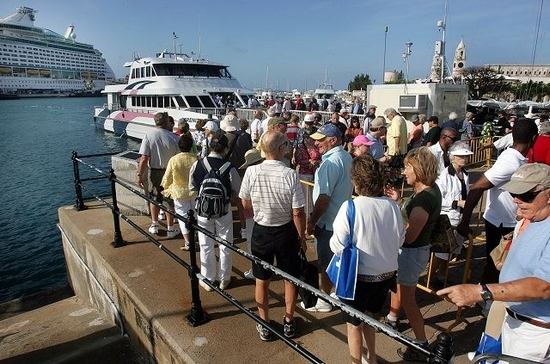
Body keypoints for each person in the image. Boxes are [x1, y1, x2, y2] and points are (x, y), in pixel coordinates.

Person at [438, 163, 550, 363]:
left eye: (526, 195)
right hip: (514, 320)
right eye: (515, 194)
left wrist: (480, 292)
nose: (516, 200)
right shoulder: (534, 217)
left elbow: (544, 286)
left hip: (533, 334)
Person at [330, 155, 405, 364]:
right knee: (372, 319)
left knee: (354, 325)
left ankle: (357, 362)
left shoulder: (350, 207)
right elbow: (400, 240)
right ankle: (371, 358)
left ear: (356, 181)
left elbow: (337, 245)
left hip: (357, 279)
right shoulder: (392, 206)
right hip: (385, 276)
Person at [239, 130, 306, 341]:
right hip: (285, 230)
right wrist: (302, 237)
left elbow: (245, 202)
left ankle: (264, 323)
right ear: (280, 149)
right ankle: (288, 321)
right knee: (289, 278)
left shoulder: (251, 172)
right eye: (286, 144)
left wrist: (256, 213)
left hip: (261, 230)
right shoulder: (290, 174)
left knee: (261, 279)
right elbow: (297, 212)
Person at [456, 119, 539, 284]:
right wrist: (465, 223)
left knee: (499, 264)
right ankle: (485, 298)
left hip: (505, 221)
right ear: (534, 138)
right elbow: (477, 188)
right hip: (502, 223)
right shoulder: (510, 163)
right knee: (497, 264)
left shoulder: (513, 156)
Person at [383, 147, 441, 362]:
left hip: (411, 253)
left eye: (408, 167)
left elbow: (410, 236)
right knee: (403, 291)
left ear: (419, 169)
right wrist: (399, 202)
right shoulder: (427, 191)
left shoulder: (424, 199)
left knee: (409, 301)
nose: (404, 171)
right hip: (414, 252)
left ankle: (421, 344)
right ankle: (393, 319)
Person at [304, 124, 353, 313]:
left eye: (321, 140)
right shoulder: (346, 157)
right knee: (337, 261)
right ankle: (336, 294)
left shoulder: (330, 163)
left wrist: (312, 221)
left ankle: (324, 300)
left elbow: (324, 198)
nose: (317, 143)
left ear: (333, 140)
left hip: (328, 222)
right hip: (342, 220)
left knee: (325, 262)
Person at [189, 134, 241, 292]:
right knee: (225, 245)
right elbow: (237, 190)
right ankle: (224, 279)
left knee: (205, 244)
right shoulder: (229, 167)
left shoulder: (197, 164)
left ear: (210, 147)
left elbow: (191, 187)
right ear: (225, 149)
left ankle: (208, 279)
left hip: (203, 211)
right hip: (223, 211)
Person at [430, 142, 473, 285]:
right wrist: (457, 202)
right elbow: (438, 198)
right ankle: (429, 279)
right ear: (453, 157)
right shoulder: (444, 175)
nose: (465, 159)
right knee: (441, 251)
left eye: (466, 156)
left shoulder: (465, 174)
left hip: (459, 217)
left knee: (451, 250)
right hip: (447, 217)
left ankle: (442, 274)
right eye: (461, 156)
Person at [137, 112, 180, 238]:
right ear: (167, 122)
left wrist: (140, 174)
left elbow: (144, 158)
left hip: (154, 171)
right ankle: (170, 228)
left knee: (154, 198)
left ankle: (154, 224)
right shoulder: (174, 138)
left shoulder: (149, 135)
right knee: (169, 200)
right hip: (170, 172)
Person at [161, 134, 198, 250]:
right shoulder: (196, 158)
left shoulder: (174, 160)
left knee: (183, 217)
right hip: (194, 191)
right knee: (196, 215)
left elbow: (167, 177)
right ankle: (196, 235)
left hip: (179, 192)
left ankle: (188, 242)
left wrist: (165, 187)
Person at [238, 148, 265, 280]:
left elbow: (244, 197)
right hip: (268, 211)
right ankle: (267, 268)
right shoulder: (269, 170)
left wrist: (247, 212)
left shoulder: (249, 172)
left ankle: (256, 271)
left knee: (252, 242)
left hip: (253, 211)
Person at [293, 129, 321, 217]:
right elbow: (298, 161)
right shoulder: (300, 148)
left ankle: (314, 213)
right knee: (306, 196)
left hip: (315, 174)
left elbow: (321, 158)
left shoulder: (316, 147)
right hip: (304, 174)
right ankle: (307, 216)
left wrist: (317, 162)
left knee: (314, 194)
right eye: (308, 138)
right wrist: (309, 161)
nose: (310, 140)